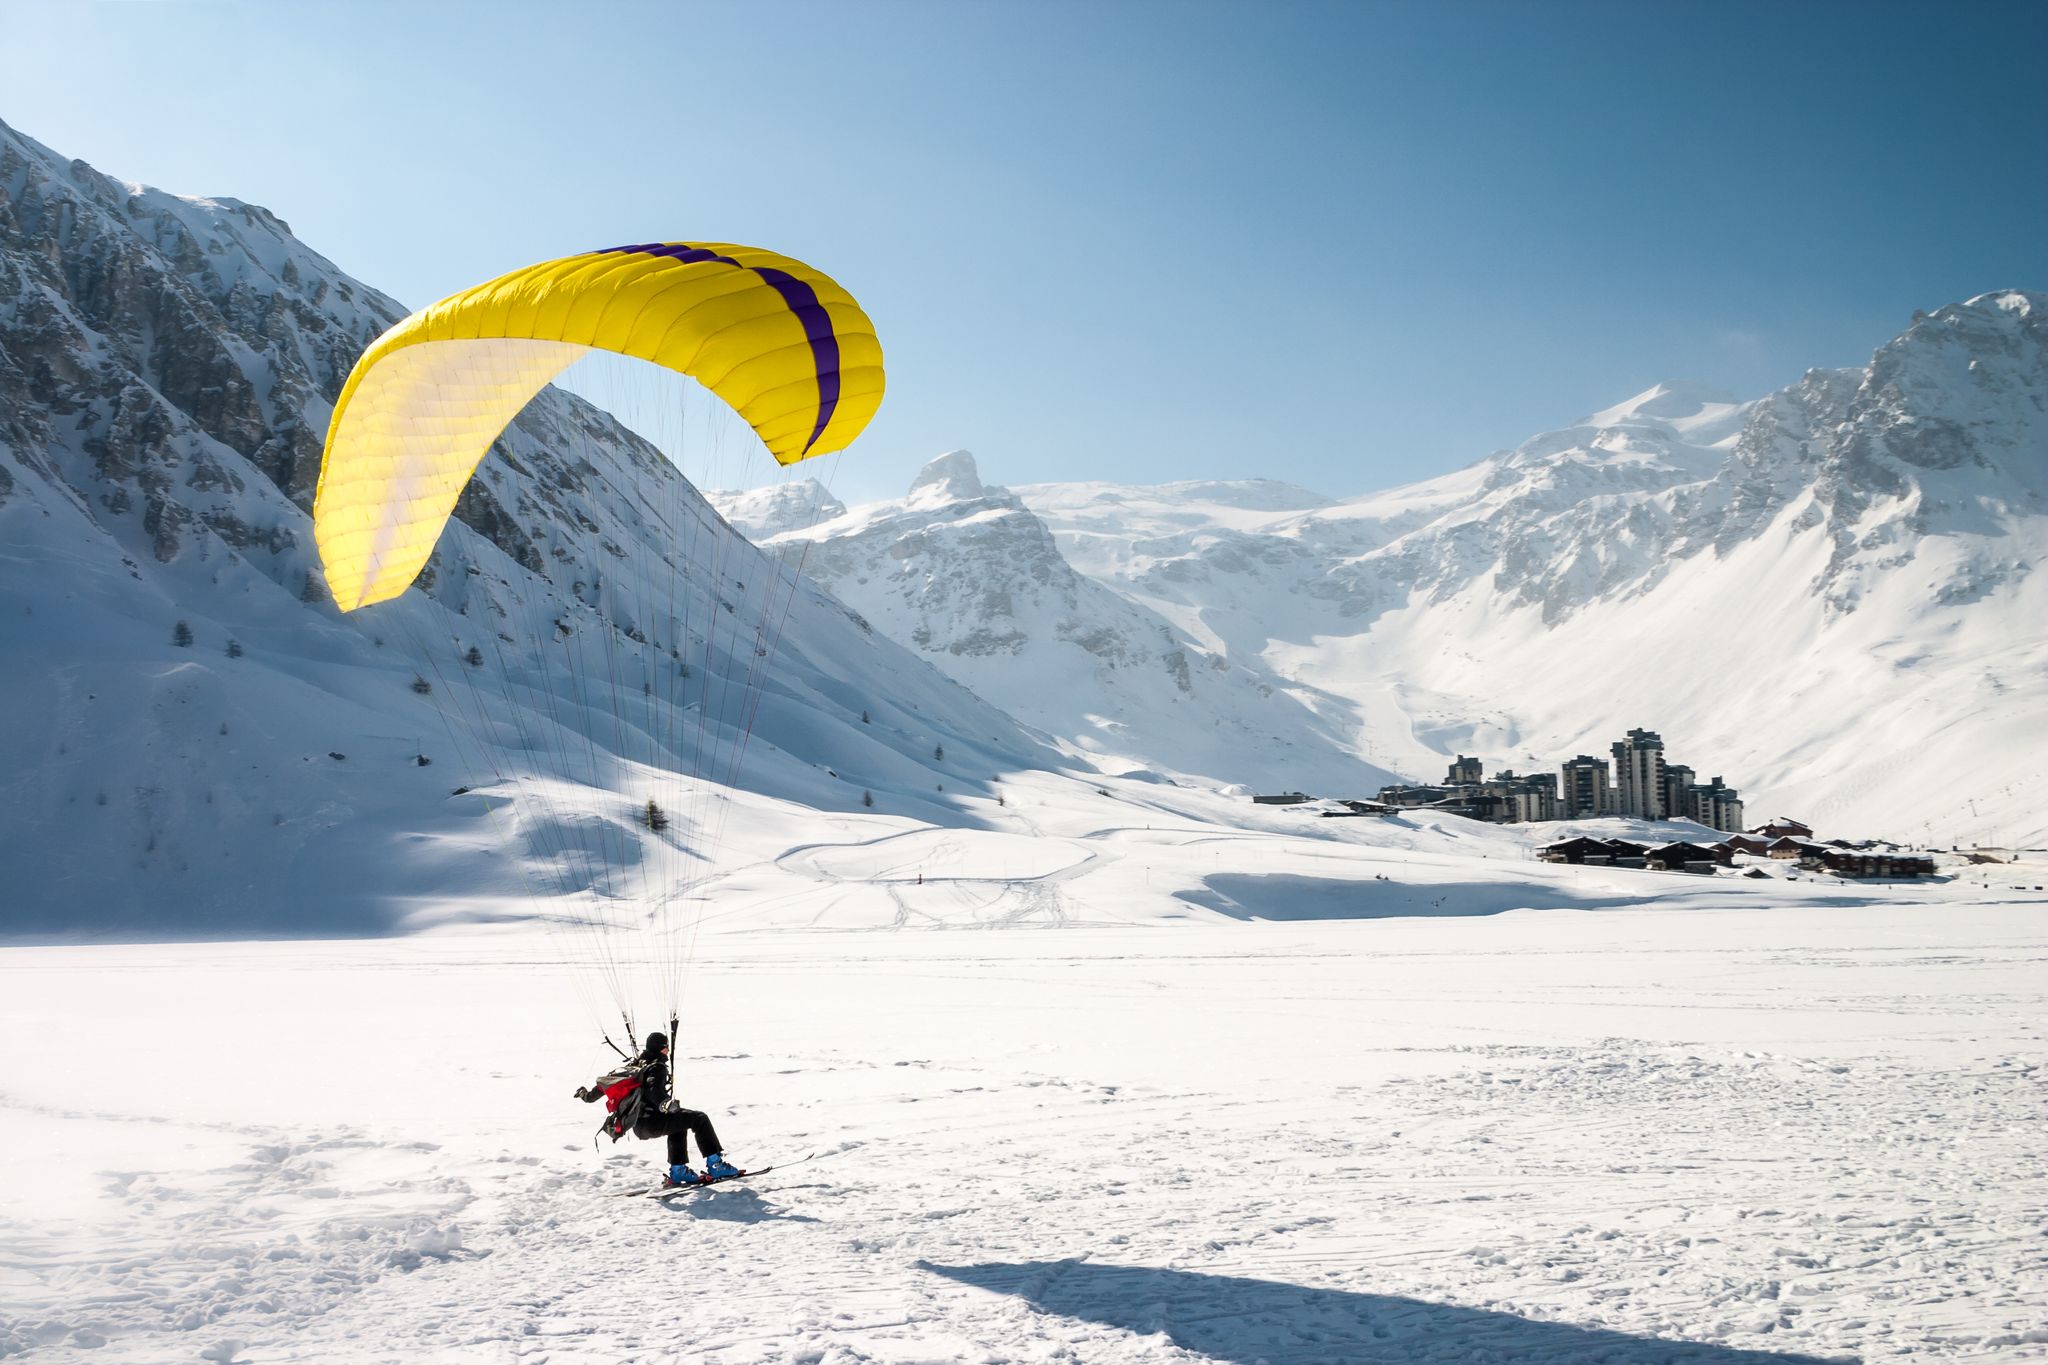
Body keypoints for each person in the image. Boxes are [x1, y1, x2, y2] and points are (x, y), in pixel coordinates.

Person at [576, 1031, 742, 1187]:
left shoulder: (636, 1065)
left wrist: (585, 1095)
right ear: (660, 1049)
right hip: (652, 1123)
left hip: (639, 1126)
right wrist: (664, 1103)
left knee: (679, 1121)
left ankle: (678, 1171)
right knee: (700, 1118)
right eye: (666, 1047)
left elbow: (602, 1087)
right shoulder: (657, 1067)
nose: (668, 1051)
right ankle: (716, 1165)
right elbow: (653, 1089)